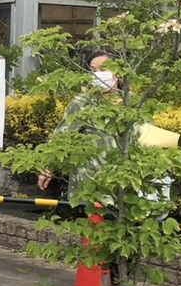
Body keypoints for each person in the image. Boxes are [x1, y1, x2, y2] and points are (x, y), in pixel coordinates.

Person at [38, 50, 120, 205]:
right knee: (97, 227)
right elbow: (61, 139)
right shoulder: (83, 103)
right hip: (92, 186)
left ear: (118, 72)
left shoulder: (133, 104)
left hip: (127, 187)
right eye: (93, 70)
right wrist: (47, 169)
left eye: (103, 69)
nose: (98, 74)